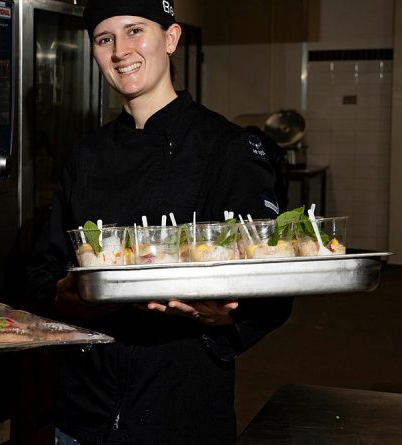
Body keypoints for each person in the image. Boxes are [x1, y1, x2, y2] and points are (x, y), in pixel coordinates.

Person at [25, 1, 292, 444]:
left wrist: (219, 318)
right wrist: (70, 297)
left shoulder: (228, 149)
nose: (119, 51)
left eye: (135, 31)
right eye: (104, 39)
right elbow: (41, 272)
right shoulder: (85, 157)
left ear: (170, 39)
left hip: (181, 410)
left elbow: (275, 284)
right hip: (84, 413)